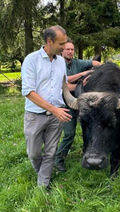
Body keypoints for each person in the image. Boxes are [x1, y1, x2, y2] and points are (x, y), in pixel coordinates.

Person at [21, 25, 72, 189]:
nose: (64, 47)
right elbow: (29, 92)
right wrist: (54, 109)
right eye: (61, 44)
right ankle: (42, 173)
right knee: (34, 153)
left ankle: (43, 186)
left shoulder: (61, 62)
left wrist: (83, 86)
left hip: (57, 116)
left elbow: (64, 85)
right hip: (35, 115)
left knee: (50, 153)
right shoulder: (31, 60)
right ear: (49, 41)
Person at [54, 38, 101, 172]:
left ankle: (88, 153)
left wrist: (101, 67)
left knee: (88, 129)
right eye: (67, 49)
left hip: (79, 104)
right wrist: (83, 76)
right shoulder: (57, 64)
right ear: (62, 51)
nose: (70, 52)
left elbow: (93, 62)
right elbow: (64, 83)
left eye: (72, 49)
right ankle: (58, 159)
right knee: (69, 133)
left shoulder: (77, 62)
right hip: (63, 104)